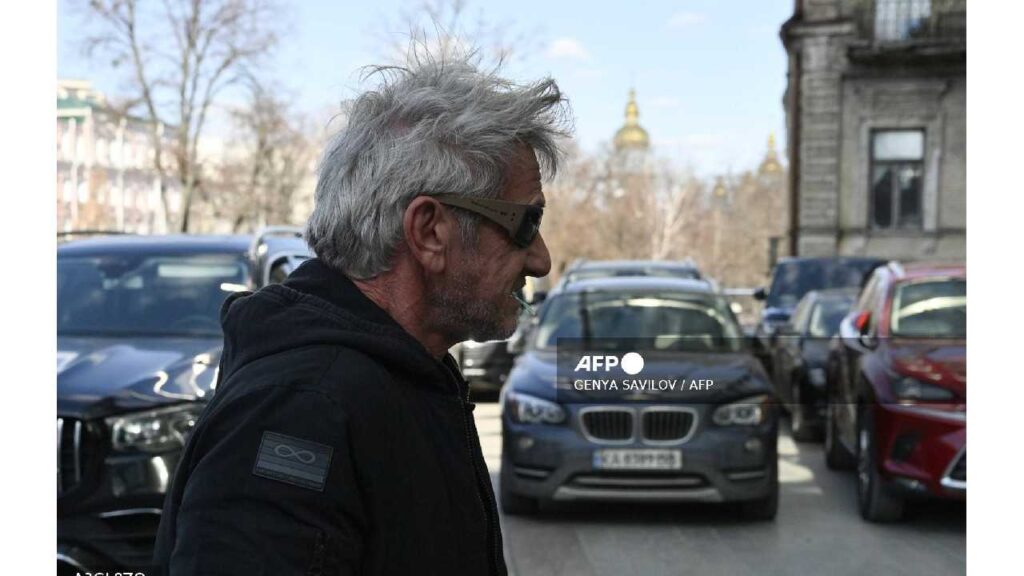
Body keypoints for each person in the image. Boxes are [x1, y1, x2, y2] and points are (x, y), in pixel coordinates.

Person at [153, 51, 572, 576]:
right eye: (526, 223)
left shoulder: (401, 376)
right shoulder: (301, 410)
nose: (541, 260)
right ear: (429, 231)